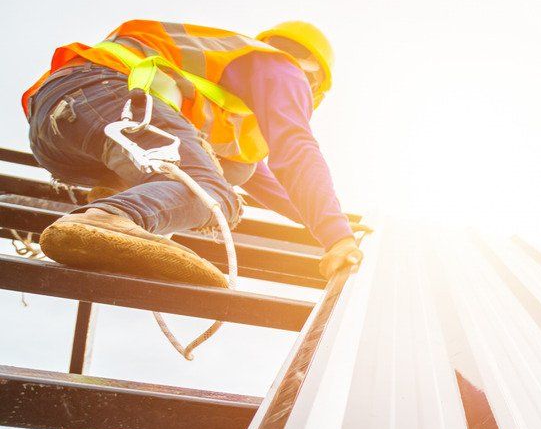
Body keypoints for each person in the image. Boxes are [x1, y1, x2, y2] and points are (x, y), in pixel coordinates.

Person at [21, 19, 362, 286]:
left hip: (59, 134)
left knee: (231, 173)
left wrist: (335, 224)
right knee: (213, 195)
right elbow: (296, 149)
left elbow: (274, 185)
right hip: (105, 94)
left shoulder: (231, 94)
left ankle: (119, 197)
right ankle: (109, 217)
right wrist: (338, 238)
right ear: (314, 78)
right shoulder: (282, 68)